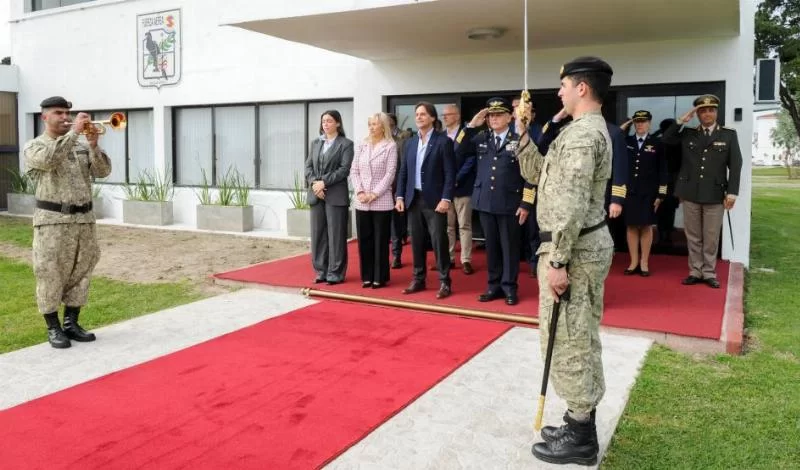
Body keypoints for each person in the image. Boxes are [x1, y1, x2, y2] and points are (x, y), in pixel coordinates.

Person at [515, 57, 615, 465]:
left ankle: (579, 436)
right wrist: (523, 132)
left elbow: (572, 204)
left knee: (570, 341)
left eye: (564, 86)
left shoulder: (581, 136)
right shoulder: (577, 132)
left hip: (571, 253)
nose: (559, 92)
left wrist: (557, 261)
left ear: (582, 89)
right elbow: (539, 174)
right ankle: (580, 420)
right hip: (575, 249)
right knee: (576, 337)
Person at [24, 96, 112, 349]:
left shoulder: (80, 146)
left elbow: (103, 171)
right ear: (44, 117)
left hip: (84, 220)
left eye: (67, 113)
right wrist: (74, 133)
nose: (65, 117)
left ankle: (72, 324)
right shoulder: (35, 146)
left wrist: (94, 146)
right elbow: (49, 160)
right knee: (50, 272)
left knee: (82, 271)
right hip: (52, 222)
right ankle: (53, 327)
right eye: (58, 113)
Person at [459, 98, 535, 305]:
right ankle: (493, 286)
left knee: (509, 248)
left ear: (510, 117)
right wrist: (471, 126)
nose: (494, 118)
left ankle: (509, 287)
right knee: (491, 247)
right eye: (491, 115)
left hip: (511, 202)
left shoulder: (519, 138)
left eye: (498, 114)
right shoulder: (481, 137)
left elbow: (531, 174)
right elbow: (457, 151)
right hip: (485, 202)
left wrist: (526, 203)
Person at [662, 94, 742, 288]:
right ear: (697, 114)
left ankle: (709, 272)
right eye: (702, 111)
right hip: (690, 193)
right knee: (693, 235)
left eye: (710, 110)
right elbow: (667, 139)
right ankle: (695, 271)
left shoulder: (728, 135)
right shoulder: (688, 133)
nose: (707, 113)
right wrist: (681, 121)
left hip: (715, 194)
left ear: (716, 112)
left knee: (711, 236)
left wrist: (732, 193)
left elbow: (736, 164)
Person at [395, 101, 455, 299]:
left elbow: (450, 173)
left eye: (423, 114)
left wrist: (446, 198)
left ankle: (445, 281)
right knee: (416, 242)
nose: (419, 117)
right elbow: (403, 171)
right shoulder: (410, 143)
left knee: (439, 240)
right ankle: (418, 279)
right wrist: (400, 196)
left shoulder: (443, 141)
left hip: (435, 200)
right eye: (417, 114)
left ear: (432, 118)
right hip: (413, 199)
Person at [305, 110, 354, 285]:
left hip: (335, 195)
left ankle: (336, 272)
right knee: (318, 235)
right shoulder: (315, 143)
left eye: (329, 121)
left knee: (336, 235)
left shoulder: (346, 144)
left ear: (338, 124)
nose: (325, 124)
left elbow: (344, 169)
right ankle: (321, 271)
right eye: (323, 121)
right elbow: (308, 167)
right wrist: (314, 184)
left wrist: (323, 182)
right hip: (317, 195)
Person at [350, 112, 397, 288]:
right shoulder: (362, 144)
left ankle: (380, 276)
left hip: (381, 200)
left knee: (380, 240)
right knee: (364, 240)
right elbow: (354, 170)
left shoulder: (390, 146)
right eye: (370, 124)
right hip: (362, 201)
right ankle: (367, 276)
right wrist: (360, 191)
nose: (371, 127)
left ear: (383, 126)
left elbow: (390, 173)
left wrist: (374, 194)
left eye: (375, 124)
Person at [620, 110, 668, 276]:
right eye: (637, 122)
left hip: (649, 192)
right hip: (630, 191)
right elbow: (612, 139)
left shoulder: (657, 143)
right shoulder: (626, 141)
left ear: (649, 123)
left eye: (643, 121)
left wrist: (661, 194)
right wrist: (624, 126)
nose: (640, 124)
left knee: (646, 226)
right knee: (632, 226)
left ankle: (644, 262)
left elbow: (663, 170)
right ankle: (633, 262)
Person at [443, 104, 475, 274]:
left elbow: (471, 159)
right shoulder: (441, 136)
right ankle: (448, 258)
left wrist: (456, 179)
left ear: (457, 116)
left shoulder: (467, 134)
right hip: (445, 191)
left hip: (462, 187)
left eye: (448, 114)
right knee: (448, 226)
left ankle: (466, 260)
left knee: (464, 225)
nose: (445, 117)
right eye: (443, 115)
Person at [387, 113, 411, 268]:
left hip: (395, 187)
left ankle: (396, 255)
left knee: (395, 224)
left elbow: (403, 166)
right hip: (378, 191)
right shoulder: (378, 140)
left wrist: (400, 190)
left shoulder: (402, 139)